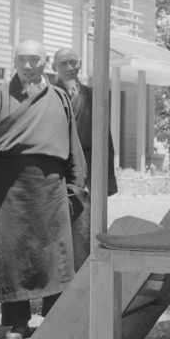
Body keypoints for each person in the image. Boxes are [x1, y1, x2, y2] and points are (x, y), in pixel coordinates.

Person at [0, 40, 88, 339]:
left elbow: (73, 147)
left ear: (46, 62)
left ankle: (52, 319)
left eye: (34, 59)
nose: (28, 66)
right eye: (22, 59)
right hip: (9, 190)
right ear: (14, 61)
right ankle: (17, 322)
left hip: (51, 190)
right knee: (12, 255)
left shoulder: (59, 97)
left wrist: (74, 186)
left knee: (54, 255)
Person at [51, 47, 118, 270]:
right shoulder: (47, 96)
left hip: (89, 169)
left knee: (86, 226)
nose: (70, 68)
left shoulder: (93, 95)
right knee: (57, 227)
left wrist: (107, 178)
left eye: (74, 62)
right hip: (58, 170)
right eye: (64, 64)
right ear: (54, 67)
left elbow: (105, 137)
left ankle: (86, 276)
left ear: (80, 65)